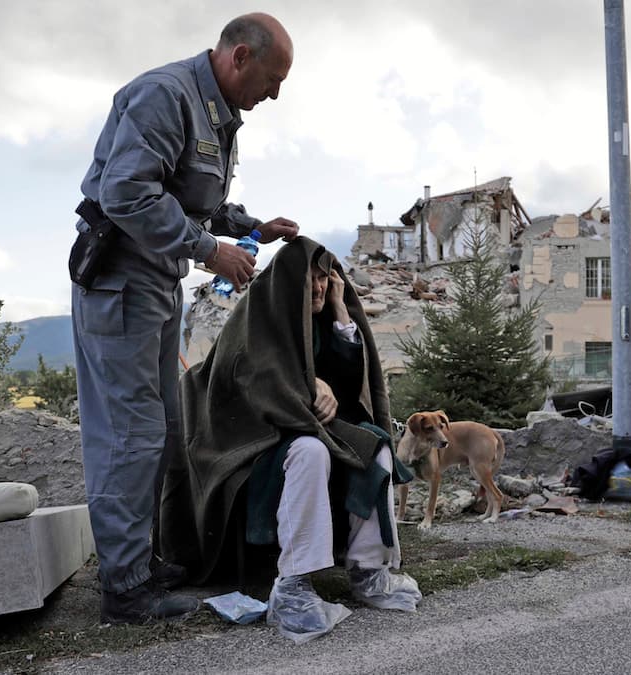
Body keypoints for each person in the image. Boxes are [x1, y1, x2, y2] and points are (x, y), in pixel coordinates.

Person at [70, 13, 299, 625]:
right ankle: (124, 590)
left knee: (165, 429)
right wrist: (208, 250)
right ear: (240, 57)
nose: (274, 94)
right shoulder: (164, 95)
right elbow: (126, 194)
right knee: (129, 433)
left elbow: (195, 198)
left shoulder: (215, 111)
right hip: (121, 283)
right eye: (273, 79)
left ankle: (140, 563)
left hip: (156, 285)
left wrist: (250, 228)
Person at [160, 237, 422, 641]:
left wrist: (338, 307)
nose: (318, 287)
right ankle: (295, 584)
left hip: (308, 427)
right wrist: (306, 384)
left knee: (375, 446)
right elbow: (249, 376)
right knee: (309, 450)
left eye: (324, 278)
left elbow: (354, 391)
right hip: (253, 445)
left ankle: (369, 570)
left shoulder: (318, 317)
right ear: (289, 282)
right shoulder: (258, 316)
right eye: (310, 280)